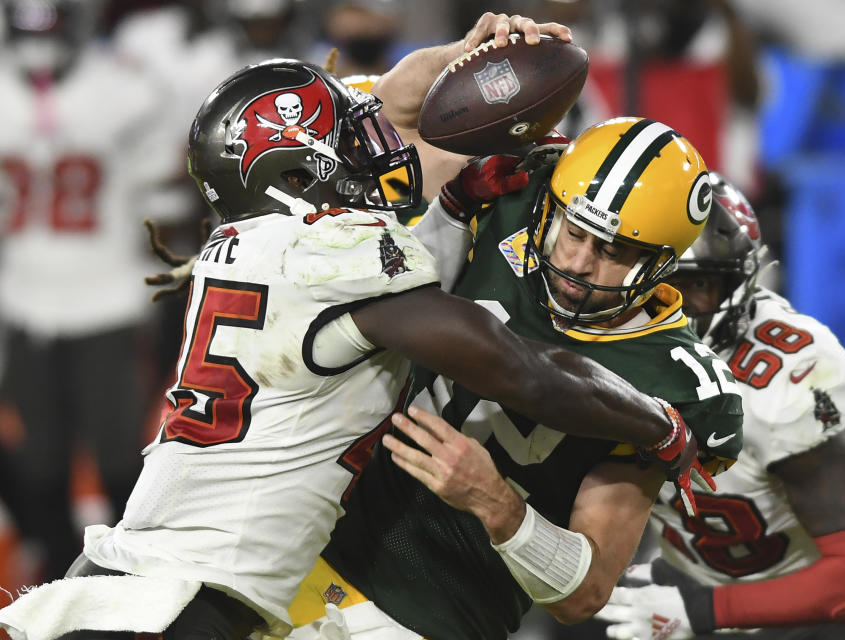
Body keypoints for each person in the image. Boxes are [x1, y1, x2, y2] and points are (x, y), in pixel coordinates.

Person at [0, 17, 713, 640]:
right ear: (306, 170)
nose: (375, 144)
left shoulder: (248, 239)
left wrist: (459, 59)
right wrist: (661, 427)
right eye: (352, 138)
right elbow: (519, 372)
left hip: (134, 578)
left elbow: (372, 121)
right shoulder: (341, 255)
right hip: (186, 603)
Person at [284, 111, 744, 639]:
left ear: (659, 263)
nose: (578, 262)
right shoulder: (507, 207)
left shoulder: (672, 378)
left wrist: (495, 503)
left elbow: (586, 593)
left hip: (427, 616)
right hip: (307, 536)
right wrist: (455, 203)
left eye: (612, 251)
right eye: (575, 231)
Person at [595, 172, 845, 639]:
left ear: (738, 287)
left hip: (837, 604)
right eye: (658, 281)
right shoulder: (592, 343)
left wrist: (704, 610)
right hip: (710, 582)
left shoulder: (784, 380)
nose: (672, 306)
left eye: (695, 282)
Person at [0, 0, 184, 583]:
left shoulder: (126, 89)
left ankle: (127, 577)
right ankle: (56, 575)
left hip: (107, 297)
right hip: (24, 297)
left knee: (118, 455)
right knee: (39, 460)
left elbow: (169, 189)